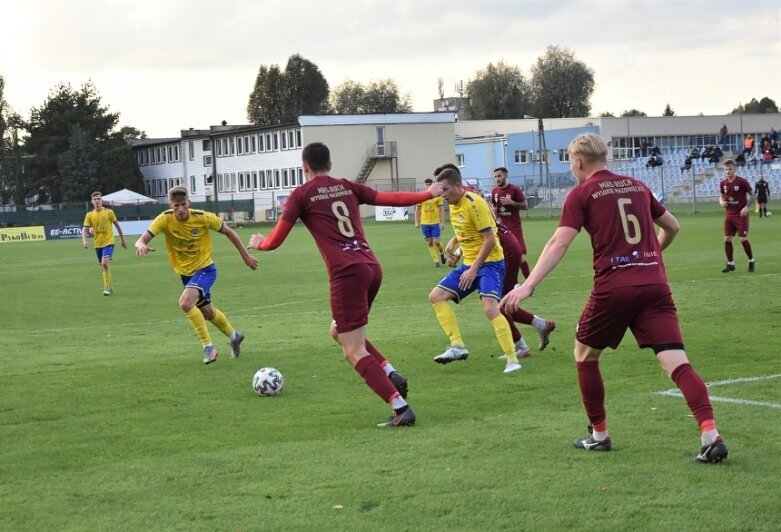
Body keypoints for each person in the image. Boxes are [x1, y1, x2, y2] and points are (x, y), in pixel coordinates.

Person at [499, 133, 729, 464]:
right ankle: (710, 434)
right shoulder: (637, 185)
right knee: (676, 361)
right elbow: (673, 226)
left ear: (577, 161)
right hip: (655, 285)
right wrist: (652, 257)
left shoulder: (582, 193)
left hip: (614, 287)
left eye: (570, 162)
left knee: (584, 354)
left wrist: (528, 286)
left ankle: (599, 435)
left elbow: (558, 243)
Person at [247, 142, 444, 428]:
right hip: (371, 267)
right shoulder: (347, 186)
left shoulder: (301, 194)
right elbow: (392, 198)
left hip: (347, 273)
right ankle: (389, 372)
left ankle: (399, 407)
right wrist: (427, 194)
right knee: (338, 331)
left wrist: (259, 243)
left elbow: (275, 240)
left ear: (304, 167)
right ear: (330, 163)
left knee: (352, 350)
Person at [135, 186, 257, 364]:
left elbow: (229, 232)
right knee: (207, 312)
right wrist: (140, 245)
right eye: (176, 205)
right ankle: (234, 336)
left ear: (189, 203)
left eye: (183, 204)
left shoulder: (202, 217)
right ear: (171, 205)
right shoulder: (164, 219)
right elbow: (142, 239)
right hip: (186, 275)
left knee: (185, 303)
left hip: (205, 270)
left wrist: (245, 256)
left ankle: (209, 347)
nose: (181, 209)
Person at [430, 166, 522, 375]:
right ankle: (457, 346)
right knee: (436, 296)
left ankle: (512, 359)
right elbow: (465, 231)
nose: (442, 195)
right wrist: (451, 245)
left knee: (490, 308)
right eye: (440, 190)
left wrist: (473, 269)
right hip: (470, 263)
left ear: (457, 186)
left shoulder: (475, 203)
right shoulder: (453, 204)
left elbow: (490, 239)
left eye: (444, 190)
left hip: (490, 263)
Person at [82, 191, 127, 295]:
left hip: (109, 242)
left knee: (105, 263)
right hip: (98, 244)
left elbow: (117, 226)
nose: (97, 201)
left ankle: (107, 288)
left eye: (99, 199)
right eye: (95, 199)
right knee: (104, 266)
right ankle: (109, 287)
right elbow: (85, 229)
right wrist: (84, 241)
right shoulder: (89, 215)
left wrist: (123, 240)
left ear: (101, 200)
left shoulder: (109, 212)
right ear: (92, 201)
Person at [491, 166, 531, 278]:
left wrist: (512, 202)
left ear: (505, 176)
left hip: (514, 228)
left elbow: (525, 206)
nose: (497, 179)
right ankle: (513, 283)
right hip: (501, 229)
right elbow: (494, 206)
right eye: (495, 177)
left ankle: (529, 281)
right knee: (504, 257)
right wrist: (493, 210)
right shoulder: (495, 191)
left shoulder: (514, 190)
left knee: (518, 257)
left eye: (499, 176)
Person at [719, 159, 756, 273]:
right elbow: (721, 195)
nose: (728, 171)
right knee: (727, 239)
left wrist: (746, 207)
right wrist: (721, 202)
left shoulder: (741, 182)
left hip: (741, 215)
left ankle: (751, 260)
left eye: (730, 169)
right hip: (729, 214)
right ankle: (731, 264)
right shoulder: (723, 183)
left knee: (742, 238)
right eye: (726, 169)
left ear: (735, 169)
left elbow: (752, 195)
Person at [415, 177, 446, 267]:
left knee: (436, 242)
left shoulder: (437, 196)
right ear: (425, 185)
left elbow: (441, 210)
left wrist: (442, 222)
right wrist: (417, 222)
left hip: (435, 222)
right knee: (430, 242)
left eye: (429, 184)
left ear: (432, 185)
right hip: (424, 223)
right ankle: (436, 261)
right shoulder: (421, 196)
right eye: (427, 184)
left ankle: (442, 252)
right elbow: (418, 210)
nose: (428, 186)